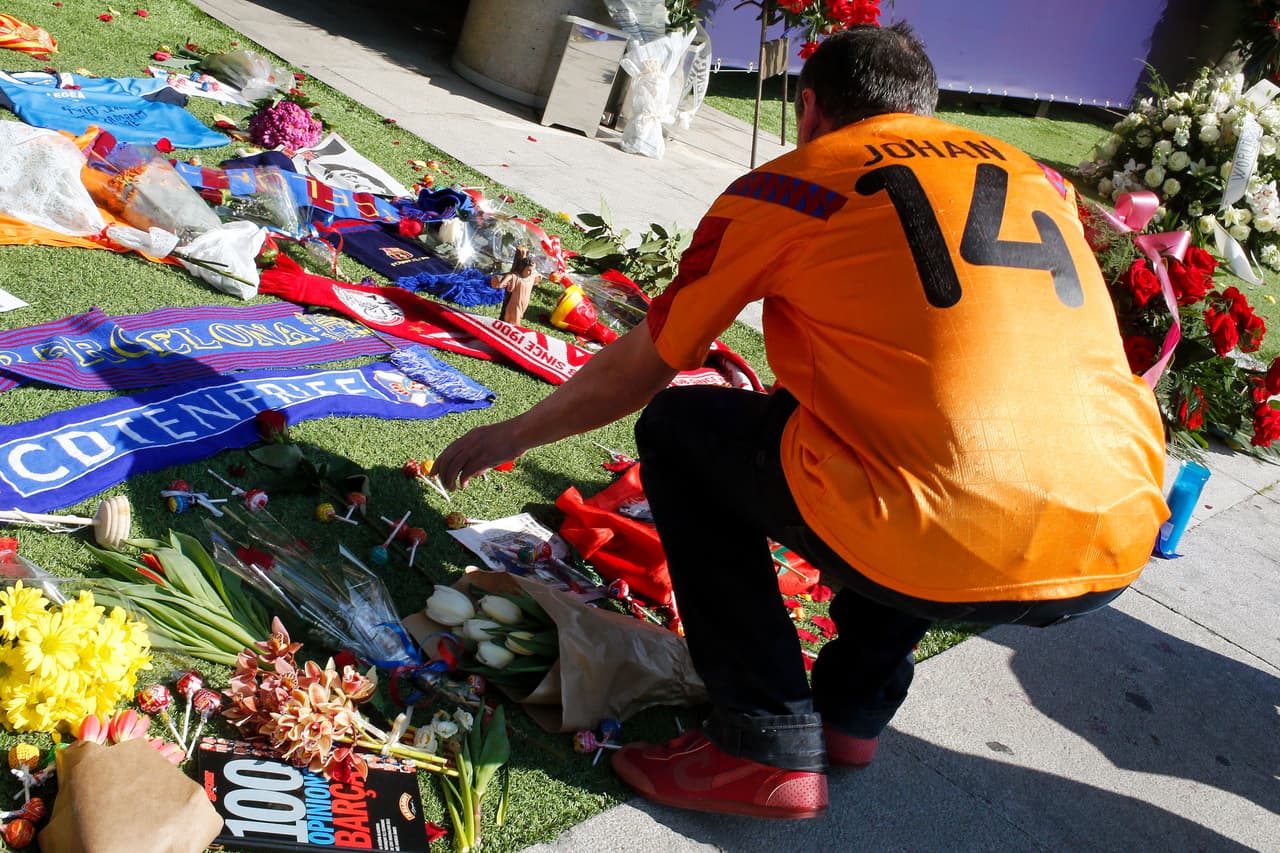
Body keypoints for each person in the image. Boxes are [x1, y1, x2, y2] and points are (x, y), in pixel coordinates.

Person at [434, 23, 1168, 820]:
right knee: (911, 429)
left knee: (681, 430)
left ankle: (763, 737)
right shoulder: (1035, 175)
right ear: (927, 109)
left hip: (950, 526)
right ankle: (854, 709)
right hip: (1119, 529)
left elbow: (646, 362)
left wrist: (514, 434)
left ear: (809, 109)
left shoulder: (798, 182)